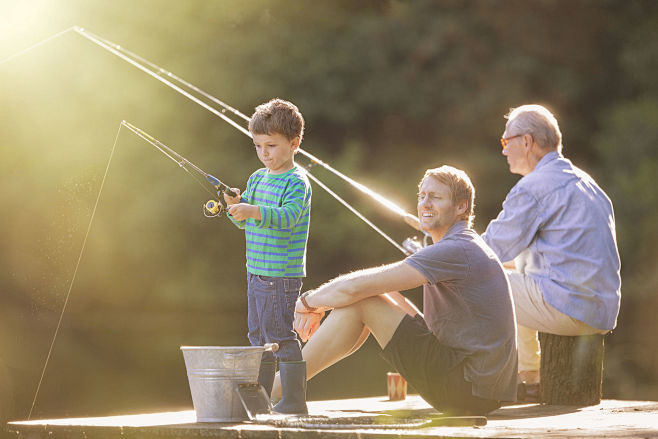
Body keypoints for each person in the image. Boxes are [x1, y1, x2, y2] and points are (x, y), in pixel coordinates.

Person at [285, 166, 517, 415]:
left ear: (461, 207)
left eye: (436, 197)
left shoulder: (456, 249)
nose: (425, 203)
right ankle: (283, 388)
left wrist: (307, 302)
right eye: (422, 196)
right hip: (480, 390)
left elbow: (356, 287)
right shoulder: (466, 244)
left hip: (468, 390)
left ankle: (278, 389)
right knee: (373, 296)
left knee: (364, 300)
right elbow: (379, 292)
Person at [481, 104, 621, 399]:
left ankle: (493, 381)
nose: (504, 150)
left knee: (482, 281)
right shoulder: (589, 184)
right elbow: (519, 258)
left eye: (506, 142)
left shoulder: (533, 187)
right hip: (601, 312)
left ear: (527, 141)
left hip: (571, 308)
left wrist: (445, 247)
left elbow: (487, 250)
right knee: (505, 273)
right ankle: (529, 379)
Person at [223, 98, 312, 414]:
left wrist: (253, 209)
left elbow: (287, 217)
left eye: (271, 146)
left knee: (280, 336)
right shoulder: (257, 178)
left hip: (281, 275)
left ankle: (294, 401)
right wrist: (236, 205)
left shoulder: (297, 181)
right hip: (255, 271)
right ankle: (260, 400)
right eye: (258, 146)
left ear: (294, 143)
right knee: (258, 336)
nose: (264, 153)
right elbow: (243, 219)